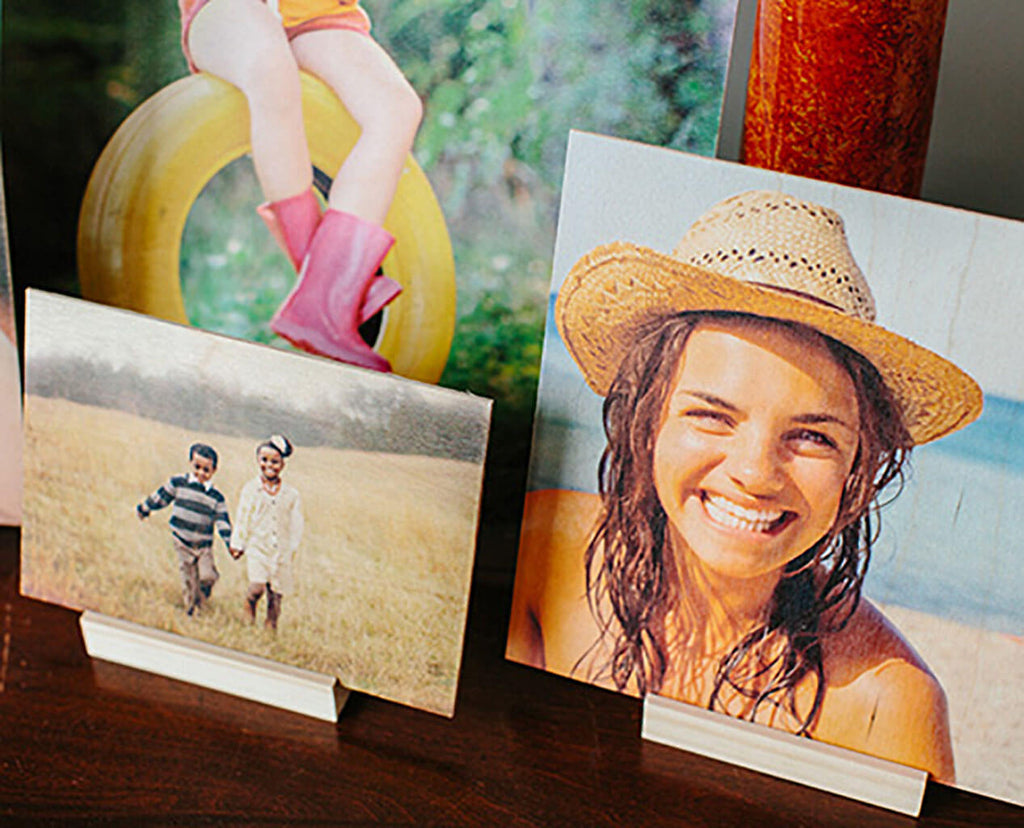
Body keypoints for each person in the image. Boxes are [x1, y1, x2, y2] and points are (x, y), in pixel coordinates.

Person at [507, 190, 984, 783]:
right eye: (713, 415)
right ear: (646, 420)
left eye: (812, 436)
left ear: (858, 468)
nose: (756, 474)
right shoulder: (541, 555)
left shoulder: (885, 703)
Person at [178, 0, 424, 372]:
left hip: (315, 12)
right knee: (270, 68)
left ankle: (326, 296)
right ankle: (329, 298)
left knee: (396, 107)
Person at [137, 443, 233, 615]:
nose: (201, 473)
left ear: (214, 470)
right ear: (190, 462)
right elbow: (161, 497)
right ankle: (191, 609)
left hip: (203, 545)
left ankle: (204, 591)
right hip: (182, 540)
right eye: (197, 467)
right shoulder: (178, 483)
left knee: (207, 576)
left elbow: (222, 520)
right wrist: (145, 508)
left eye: (206, 470)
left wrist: (230, 543)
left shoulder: (216, 497)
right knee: (188, 576)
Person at [229, 435, 304, 631]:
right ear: (258, 460)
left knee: (276, 594)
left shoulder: (291, 494)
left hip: (280, 550)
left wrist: (292, 549)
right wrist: (238, 543)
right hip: (257, 547)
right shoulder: (251, 489)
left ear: (282, 464)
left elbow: (296, 524)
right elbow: (243, 516)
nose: (269, 465)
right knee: (258, 586)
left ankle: (271, 626)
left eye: (275, 461)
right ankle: (249, 605)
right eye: (264, 460)